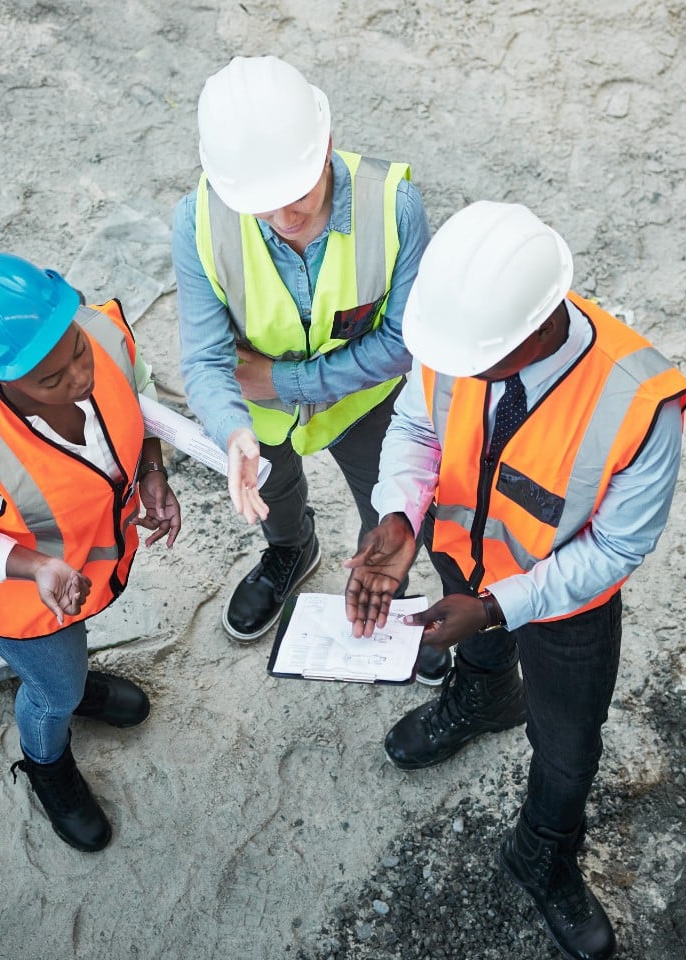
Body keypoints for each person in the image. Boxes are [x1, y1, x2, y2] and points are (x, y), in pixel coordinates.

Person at [344, 202, 686, 960]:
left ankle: (544, 851)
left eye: (473, 363)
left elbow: (616, 548)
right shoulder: (459, 337)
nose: (451, 372)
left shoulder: (639, 404)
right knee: (476, 644)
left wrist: (499, 604)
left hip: (568, 611)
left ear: (532, 332)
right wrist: (400, 516)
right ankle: (484, 693)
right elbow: (414, 428)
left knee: (569, 749)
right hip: (460, 554)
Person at [171, 55, 449, 682]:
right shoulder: (197, 222)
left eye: (294, 195)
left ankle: (383, 579)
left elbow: (406, 343)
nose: (283, 218)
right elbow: (205, 358)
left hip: (364, 402)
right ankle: (291, 551)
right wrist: (231, 430)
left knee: (390, 508)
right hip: (260, 414)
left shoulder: (395, 206)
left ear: (325, 144)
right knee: (274, 491)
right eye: (260, 206)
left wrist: (282, 381)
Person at [0, 253, 182, 853]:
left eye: (77, 351)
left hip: (82, 574)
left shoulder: (103, 333)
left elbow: (138, 396)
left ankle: (76, 686)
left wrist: (154, 470)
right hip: (23, 606)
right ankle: (47, 761)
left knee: (70, 664)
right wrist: (35, 567)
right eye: (52, 379)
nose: (80, 376)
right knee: (51, 690)